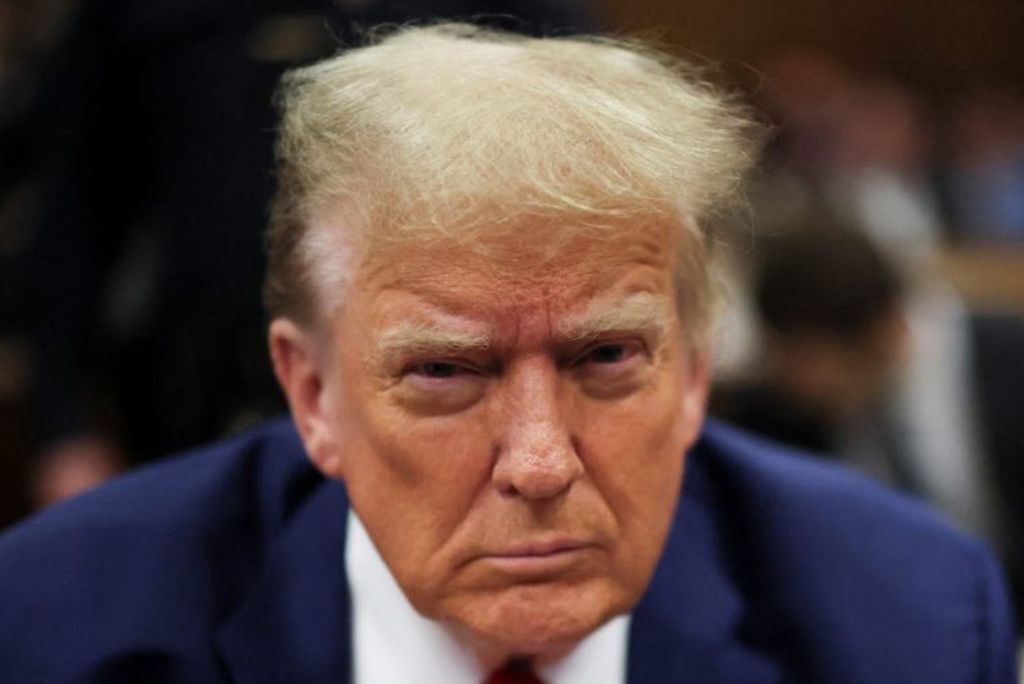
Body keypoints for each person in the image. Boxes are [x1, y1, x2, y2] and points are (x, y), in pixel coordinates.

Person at [0, 23, 1016, 683]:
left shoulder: (906, 623)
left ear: (697, 371)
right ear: (311, 395)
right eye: (445, 371)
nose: (539, 462)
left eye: (608, 355)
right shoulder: (57, 628)